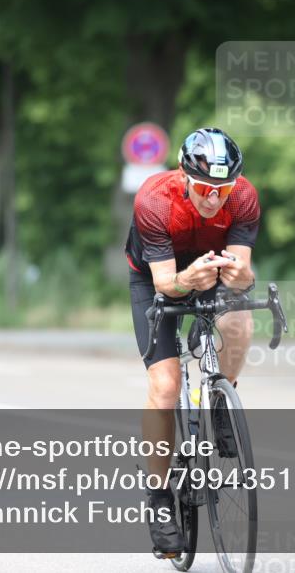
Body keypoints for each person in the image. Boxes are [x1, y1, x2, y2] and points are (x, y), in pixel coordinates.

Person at [124, 127, 259, 557]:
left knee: (239, 323)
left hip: (210, 268)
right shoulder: (154, 198)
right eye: (203, 188)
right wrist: (186, 280)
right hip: (156, 278)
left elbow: (244, 270)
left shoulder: (244, 197)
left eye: (223, 189)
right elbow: (168, 283)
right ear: (184, 177)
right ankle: (160, 498)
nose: (214, 198)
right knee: (165, 387)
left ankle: (220, 400)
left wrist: (241, 277)